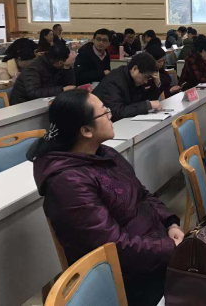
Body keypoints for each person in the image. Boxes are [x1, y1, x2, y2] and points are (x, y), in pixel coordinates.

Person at [27, 89, 183, 306]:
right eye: (104, 112)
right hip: (130, 279)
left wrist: (170, 223)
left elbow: (143, 194)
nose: (111, 115)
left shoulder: (105, 154)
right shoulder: (68, 184)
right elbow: (114, 248)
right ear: (86, 130)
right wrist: (170, 248)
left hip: (155, 253)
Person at [93, 52, 162, 121]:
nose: (146, 81)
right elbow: (116, 112)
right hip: (99, 122)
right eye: (145, 77)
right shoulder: (114, 81)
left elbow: (149, 101)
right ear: (135, 69)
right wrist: (147, 105)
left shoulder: (135, 79)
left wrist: (156, 83)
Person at [10, 43, 76, 105]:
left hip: (42, 102)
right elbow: (33, 92)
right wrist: (62, 90)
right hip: (22, 104)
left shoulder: (56, 65)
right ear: (60, 62)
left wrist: (67, 67)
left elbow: (70, 87)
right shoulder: (33, 67)